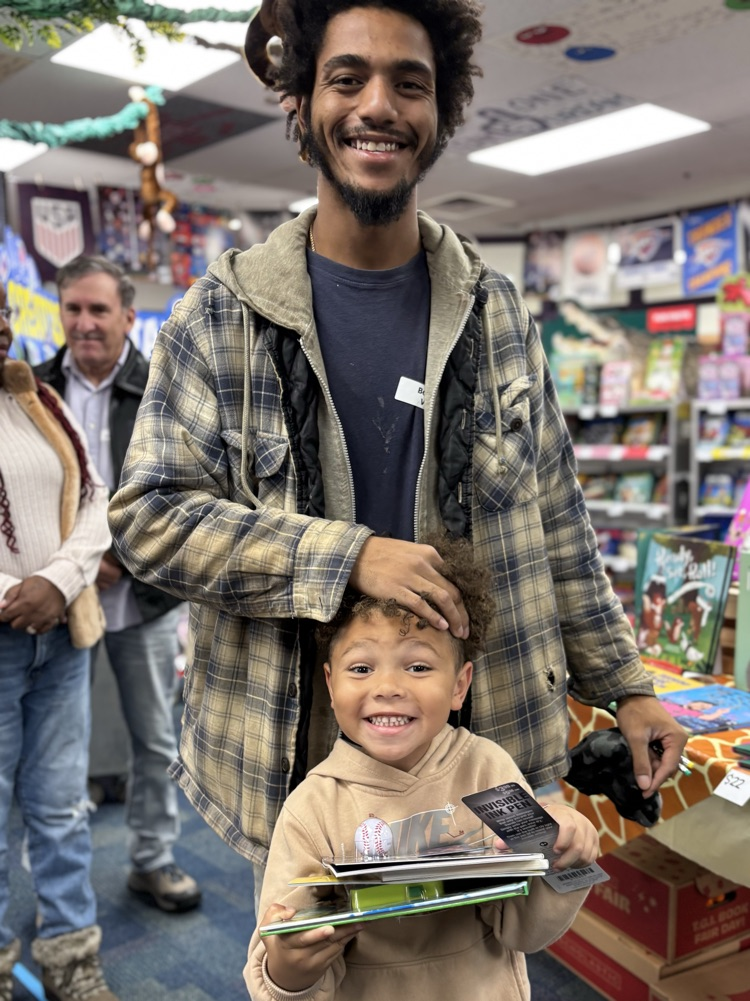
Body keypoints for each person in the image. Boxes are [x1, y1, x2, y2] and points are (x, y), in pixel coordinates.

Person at [108, 0, 687, 886]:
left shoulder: (496, 315)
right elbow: (150, 519)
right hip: (296, 766)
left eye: (408, 84)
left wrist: (627, 684)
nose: (377, 105)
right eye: (347, 78)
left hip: (484, 753)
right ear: (302, 104)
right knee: (310, 977)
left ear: (438, 112)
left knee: (480, 972)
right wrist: (345, 557)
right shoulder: (218, 319)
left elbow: (559, 525)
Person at [245, 536, 599, 1000]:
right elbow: (286, 951)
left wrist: (564, 858)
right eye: (360, 668)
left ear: (459, 685)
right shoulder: (312, 808)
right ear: (330, 684)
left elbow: (525, 932)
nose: (388, 687)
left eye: (416, 666)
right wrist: (289, 969)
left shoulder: (487, 770)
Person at [34, 257, 201, 914]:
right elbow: (20, 494)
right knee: (55, 748)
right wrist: (75, 562)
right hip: (60, 601)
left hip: (145, 598)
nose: (84, 323)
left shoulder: (165, 386)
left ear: (128, 316)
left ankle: (152, 859)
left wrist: (117, 560)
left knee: (155, 737)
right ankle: (56, 883)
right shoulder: (33, 389)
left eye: (98, 310)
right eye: (73, 308)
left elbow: (186, 492)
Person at [0, 282, 118, 1001]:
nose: (0, 326)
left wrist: (60, 578)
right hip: (4, 640)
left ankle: (72, 955)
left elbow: (98, 495)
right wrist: (17, 596)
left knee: (60, 806)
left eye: (3, 312)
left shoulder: (35, 397)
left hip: (63, 638)